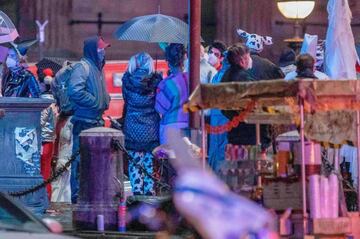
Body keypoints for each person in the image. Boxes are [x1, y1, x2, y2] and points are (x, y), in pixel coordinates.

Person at [68, 36, 111, 203]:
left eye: (104, 49)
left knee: (92, 164)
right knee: (80, 163)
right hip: (84, 122)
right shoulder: (83, 66)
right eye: (100, 49)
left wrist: (104, 100)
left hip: (95, 121)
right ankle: (78, 197)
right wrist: (96, 102)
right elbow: (75, 91)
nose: (103, 52)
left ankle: (90, 196)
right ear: (93, 50)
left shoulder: (97, 67)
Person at [122, 52, 162, 195]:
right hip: (151, 126)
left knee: (135, 162)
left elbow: (126, 100)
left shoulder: (127, 80)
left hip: (132, 125)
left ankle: (137, 192)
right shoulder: (156, 80)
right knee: (149, 162)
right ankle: (149, 191)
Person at [221, 43, 270, 150]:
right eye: (248, 57)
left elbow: (222, 107)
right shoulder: (245, 79)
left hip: (233, 131)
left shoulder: (225, 76)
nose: (250, 60)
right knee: (251, 164)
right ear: (243, 60)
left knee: (236, 164)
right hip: (251, 134)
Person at [155, 43, 189, 144]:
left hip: (171, 127)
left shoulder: (166, 84)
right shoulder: (193, 79)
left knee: (170, 158)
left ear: (168, 62)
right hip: (192, 125)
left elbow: (160, 109)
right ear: (184, 60)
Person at [208, 52, 230, 172]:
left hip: (216, 117)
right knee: (222, 149)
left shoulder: (217, 75)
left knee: (216, 148)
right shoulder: (227, 76)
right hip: (224, 117)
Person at [39, 68, 57, 200]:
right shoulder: (55, 100)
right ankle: (47, 196)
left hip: (42, 140)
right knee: (46, 170)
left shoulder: (44, 102)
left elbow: (39, 122)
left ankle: (44, 197)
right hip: (50, 139)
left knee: (43, 170)